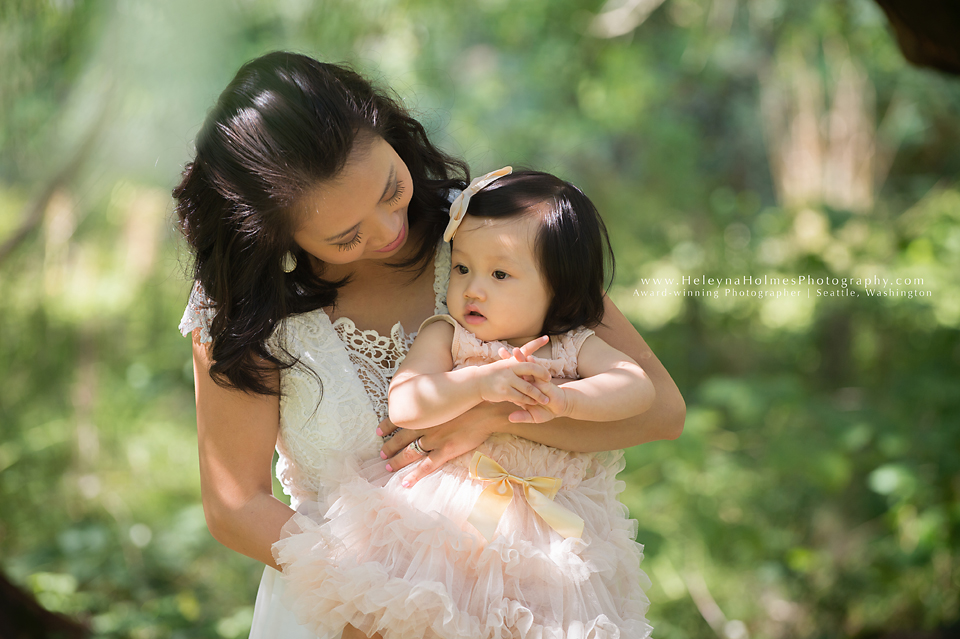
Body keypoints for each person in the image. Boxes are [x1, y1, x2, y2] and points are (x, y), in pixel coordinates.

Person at [175, 51, 685, 639]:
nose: (390, 229)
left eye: (391, 189)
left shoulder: (490, 236)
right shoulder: (242, 307)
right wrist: (378, 606)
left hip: (524, 607)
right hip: (344, 616)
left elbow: (661, 409)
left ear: (385, 128)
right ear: (273, 233)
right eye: (347, 235)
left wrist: (497, 418)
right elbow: (234, 504)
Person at [272, 168, 657, 638]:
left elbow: (636, 385)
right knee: (430, 615)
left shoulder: (570, 346)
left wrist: (563, 399)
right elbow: (407, 404)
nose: (473, 288)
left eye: (499, 273)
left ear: (558, 287)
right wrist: (478, 385)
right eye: (461, 268)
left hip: (546, 535)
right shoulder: (451, 335)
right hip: (446, 525)